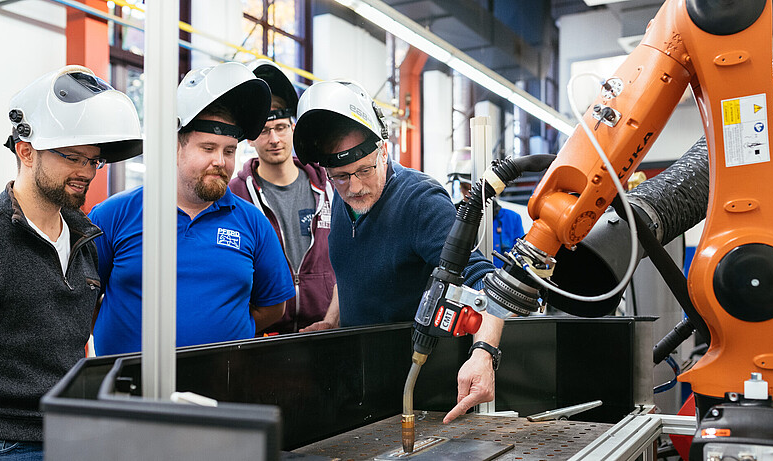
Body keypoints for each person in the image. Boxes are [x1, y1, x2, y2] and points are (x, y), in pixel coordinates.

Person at [292, 79, 501, 423]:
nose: (355, 187)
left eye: (364, 170)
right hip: (361, 387)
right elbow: (350, 273)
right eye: (341, 176)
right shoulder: (342, 204)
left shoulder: (420, 202)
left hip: (422, 393)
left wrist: (483, 353)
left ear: (384, 150)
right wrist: (331, 320)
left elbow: (483, 282)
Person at [0, 65, 142, 458]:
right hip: (3, 442)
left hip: (72, 434)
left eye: (93, 161)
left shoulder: (87, 240)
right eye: (73, 157)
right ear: (26, 150)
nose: (86, 172)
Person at [89, 61, 295, 355]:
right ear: (175, 147)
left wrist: (227, 329)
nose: (220, 162)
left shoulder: (253, 223)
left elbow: (274, 306)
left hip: (223, 388)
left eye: (229, 151)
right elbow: (82, 302)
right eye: (208, 148)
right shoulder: (113, 217)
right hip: (129, 393)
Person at [229, 59, 337, 334]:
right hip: (264, 334)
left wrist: (333, 318)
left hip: (325, 328)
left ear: (293, 128)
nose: (274, 139)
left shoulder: (330, 186)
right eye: (264, 131)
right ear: (250, 139)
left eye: (280, 128)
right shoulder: (235, 194)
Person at [447, 161, 526, 268]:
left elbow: (520, 260)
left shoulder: (512, 219)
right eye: (462, 187)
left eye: (467, 188)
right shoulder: (454, 215)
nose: (464, 193)